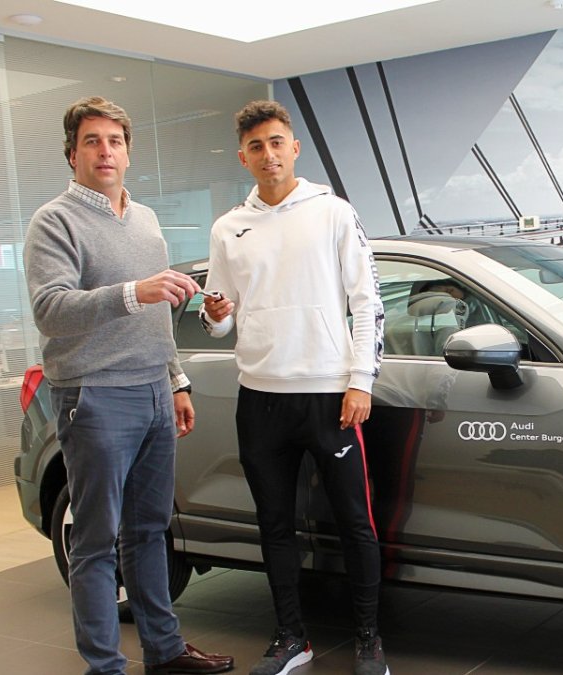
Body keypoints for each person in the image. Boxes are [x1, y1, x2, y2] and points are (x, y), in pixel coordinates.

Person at [23, 96, 234, 675]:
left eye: (115, 141)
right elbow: (50, 309)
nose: (105, 151)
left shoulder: (143, 219)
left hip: (152, 393)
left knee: (149, 533)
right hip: (93, 395)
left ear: (128, 151)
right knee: (95, 543)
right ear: (73, 153)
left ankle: (164, 654)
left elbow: (157, 314)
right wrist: (131, 292)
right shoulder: (55, 220)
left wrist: (178, 380)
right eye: (92, 141)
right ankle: (105, 666)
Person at [200, 100, 388, 675]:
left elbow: (367, 302)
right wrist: (214, 313)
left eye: (277, 142)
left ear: (294, 147)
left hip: (329, 395)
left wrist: (360, 380)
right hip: (258, 397)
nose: (268, 154)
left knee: (356, 523)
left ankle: (367, 639)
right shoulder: (229, 227)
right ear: (243, 157)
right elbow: (221, 319)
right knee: (274, 525)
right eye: (256, 147)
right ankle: (291, 639)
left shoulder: (333, 213)